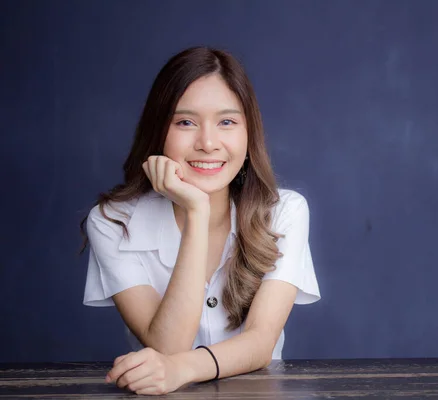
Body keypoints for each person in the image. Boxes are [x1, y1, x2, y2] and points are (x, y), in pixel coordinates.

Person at [80, 46, 321, 395]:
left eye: (227, 122)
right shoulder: (112, 221)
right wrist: (196, 211)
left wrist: (181, 369)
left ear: (248, 132)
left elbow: (260, 342)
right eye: (185, 122)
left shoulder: (284, 212)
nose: (208, 143)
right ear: (158, 130)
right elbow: (167, 346)